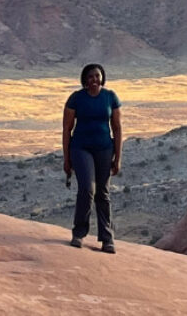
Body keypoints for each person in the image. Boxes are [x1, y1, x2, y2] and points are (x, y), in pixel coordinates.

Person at [63, 62, 122, 253]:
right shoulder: (76, 99)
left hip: (105, 148)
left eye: (97, 76)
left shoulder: (110, 97)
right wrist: (66, 158)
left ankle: (107, 238)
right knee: (87, 189)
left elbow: (117, 128)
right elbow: (66, 129)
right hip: (81, 148)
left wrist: (118, 157)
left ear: (102, 77)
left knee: (103, 193)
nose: (94, 80)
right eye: (90, 77)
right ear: (84, 80)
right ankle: (79, 233)